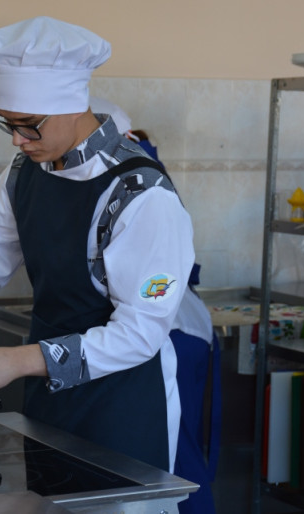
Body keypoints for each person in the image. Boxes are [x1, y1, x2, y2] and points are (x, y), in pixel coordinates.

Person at [0, 16, 194, 475]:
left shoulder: (140, 194)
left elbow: (141, 333)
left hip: (122, 405)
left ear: (72, 106)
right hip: (49, 395)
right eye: (8, 124)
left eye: (29, 126)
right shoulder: (25, 173)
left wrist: (22, 359)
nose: (18, 140)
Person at [90, 96, 222, 514]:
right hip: (172, 333)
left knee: (174, 462)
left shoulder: (135, 176)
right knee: (171, 458)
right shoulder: (118, 163)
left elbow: (150, 287)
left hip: (173, 339)